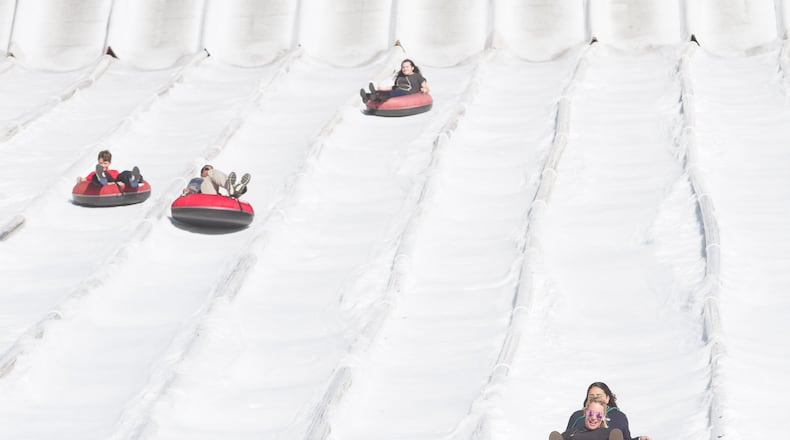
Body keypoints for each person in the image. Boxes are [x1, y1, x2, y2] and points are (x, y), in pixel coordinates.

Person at [566, 382, 651, 440]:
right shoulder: (577, 416)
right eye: (591, 396)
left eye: (598, 396)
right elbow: (567, 435)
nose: (595, 398)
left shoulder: (618, 416)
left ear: (607, 398)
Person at [360, 58, 429, 104]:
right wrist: (383, 88)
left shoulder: (417, 76)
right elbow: (394, 87)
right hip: (397, 91)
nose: (404, 69)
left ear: (412, 68)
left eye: (407, 67)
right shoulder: (400, 77)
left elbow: (426, 87)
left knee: (390, 94)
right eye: (403, 67)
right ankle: (367, 96)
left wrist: (424, 89)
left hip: (406, 93)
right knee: (384, 92)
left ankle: (375, 96)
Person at [550, 399, 623, 440]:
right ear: (585, 413)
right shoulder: (571, 433)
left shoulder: (610, 434)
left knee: (616, 432)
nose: (594, 418)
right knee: (554, 434)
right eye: (590, 413)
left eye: (598, 415)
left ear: (603, 417)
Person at [78, 150, 142, 189]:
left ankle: (134, 179)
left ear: (109, 163)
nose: (103, 165)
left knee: (125, 173)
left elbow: (119, 178)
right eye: (100, 163)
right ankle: (101, 178)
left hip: (115, 180)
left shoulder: (114, 171)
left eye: (105, 163)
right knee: (96, 176)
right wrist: (80, 179)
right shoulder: (93, 173)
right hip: (106, 180)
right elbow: (84, 180)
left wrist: (119, 183)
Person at [182, 164, 250, 198]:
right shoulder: (197, 180)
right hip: (202, 197)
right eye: (206, 169)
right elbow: (191, 190)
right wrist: (188, 192)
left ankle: (235, 190)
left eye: (210, 169)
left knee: (212, 175)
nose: (209, 171)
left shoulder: (214, 181)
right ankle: (231, 187)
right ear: (201, 173)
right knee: (210, 175)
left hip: (212, 196)